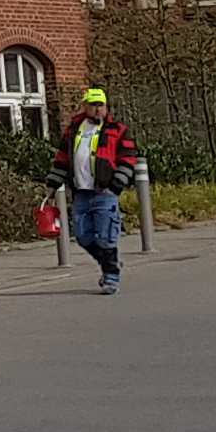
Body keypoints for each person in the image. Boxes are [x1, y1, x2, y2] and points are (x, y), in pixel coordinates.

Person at [56, 88, 137, 292]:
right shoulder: (73, 129)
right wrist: (52, 184)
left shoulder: (118, 130)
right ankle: (111, 264)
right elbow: (62, 159)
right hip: (81, 192)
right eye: (93, 105)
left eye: (101, 105)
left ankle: (111, 278)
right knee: (82, 235)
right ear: (86, 107)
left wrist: (115, 186)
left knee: (107, 236)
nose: (98, 109)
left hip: (105, 192)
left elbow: (128, 159)